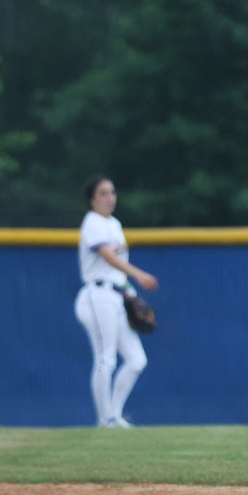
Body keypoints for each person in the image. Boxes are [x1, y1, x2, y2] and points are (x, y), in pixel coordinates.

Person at [73, 175, 159, 428]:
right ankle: (105, 419)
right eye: (103, 193)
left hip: (117, 294)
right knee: (106, 358)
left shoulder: (115, 224)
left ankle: (114, 414)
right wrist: (139, 275)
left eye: (112, 192)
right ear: (91, 199)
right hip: (97, 295)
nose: (110, 197)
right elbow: (108, 257)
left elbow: (117, 269)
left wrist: (130, 293)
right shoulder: (92, 222)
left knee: (136, 360)